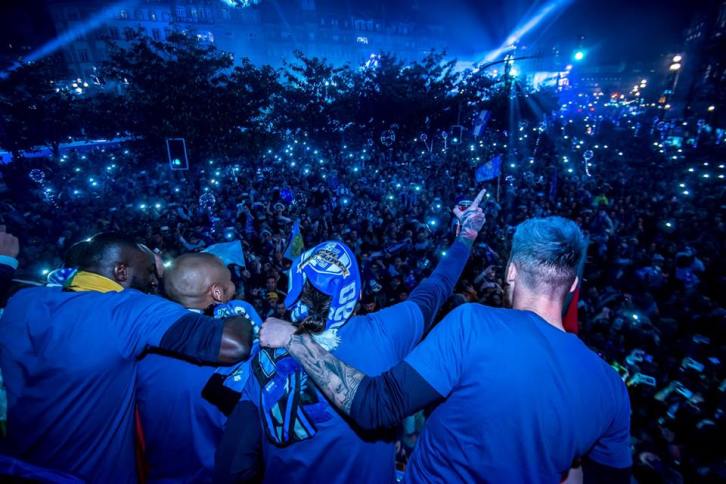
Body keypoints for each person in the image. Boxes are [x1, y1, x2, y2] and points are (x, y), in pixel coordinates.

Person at [260, 216, 632, 483]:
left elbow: (376, 406)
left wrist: (295, 339)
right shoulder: (611, 387)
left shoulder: (472, 326)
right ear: (574, 284)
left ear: (511, 272)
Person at [215, 190, 487, 483]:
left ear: (293, 290)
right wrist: (466, 236)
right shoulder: (387, 330)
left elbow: (235, 463)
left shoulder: (265, 351)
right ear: (355, 296)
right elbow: (438, 285)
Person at [0, 233, 254, 483]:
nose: (154, 281)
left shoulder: (22, 300)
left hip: (15, 466)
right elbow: (231, 345)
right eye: (149, 272)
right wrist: (235, 307)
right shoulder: (130, 309)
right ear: (121, 271)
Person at [136, 252, 262, 484]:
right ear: (217, 293)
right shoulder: (241, 354)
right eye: (230, 282)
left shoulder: (142, 352)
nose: (234, 286)